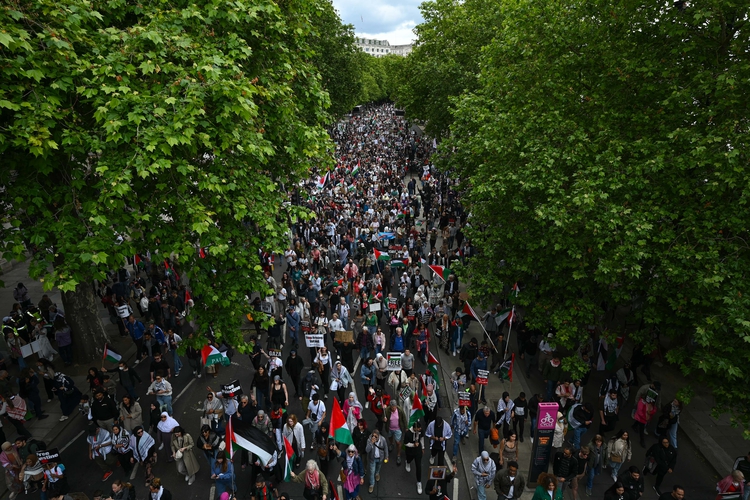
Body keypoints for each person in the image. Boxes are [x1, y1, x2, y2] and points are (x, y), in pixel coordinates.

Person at [403, 419, 424, 494]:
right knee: (409, 459)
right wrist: (413, 445)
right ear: (414, 428)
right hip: (410, 452)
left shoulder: (420, 431)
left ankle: (419, 482)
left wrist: (422, 447)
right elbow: (405, 444)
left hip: (418, 452)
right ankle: (407, 463)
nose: (419, 430)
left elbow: (421, 438)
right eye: (418, 429)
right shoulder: (408, 433)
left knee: (418, 466)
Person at [384, 399, 407, 465]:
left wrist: (406, 427)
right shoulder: (387, 411)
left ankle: (398, 455)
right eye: (392, 407)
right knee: (390, 437)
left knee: (398, 442)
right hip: (389, 428)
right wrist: (384, 419)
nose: (394, 408)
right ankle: (391, 443)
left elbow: (404, 418)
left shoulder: (400, 410)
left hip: (398, 429)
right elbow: (384, 417)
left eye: (395, 407)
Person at [365, 429, 388, 493]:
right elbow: (367, 450)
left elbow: (385, 448)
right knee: (372, 472)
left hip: (380, 458)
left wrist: (386, 456)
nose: (374, 437)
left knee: (378, 467)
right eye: (373, 436)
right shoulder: (369, 440)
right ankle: (372, 484)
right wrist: (371, 443)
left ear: (379, 436)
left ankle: (377, 473)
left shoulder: (383, 440)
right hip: (372, 459)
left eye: (376, 436)